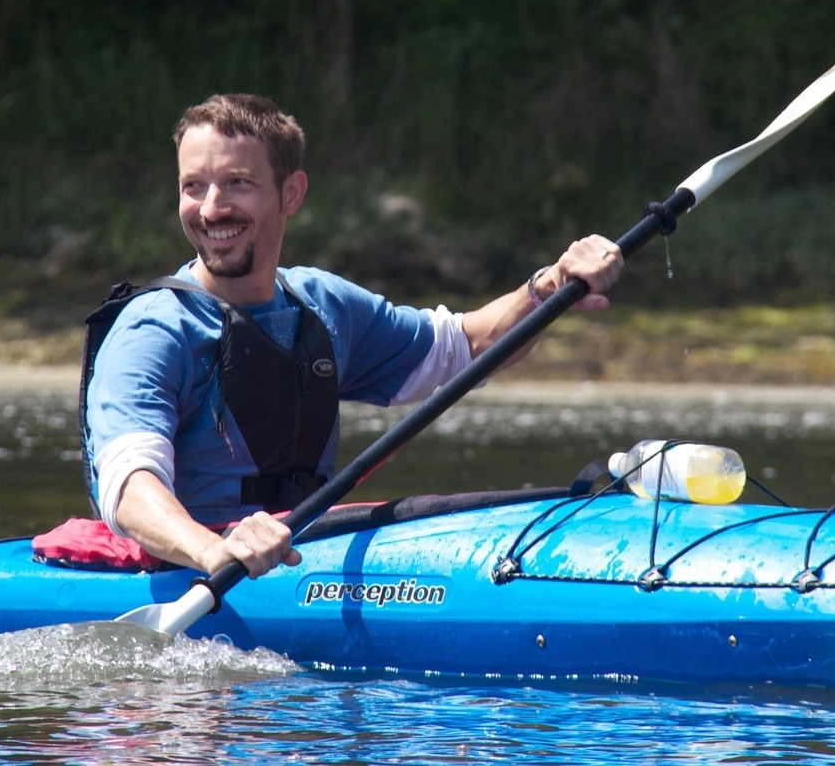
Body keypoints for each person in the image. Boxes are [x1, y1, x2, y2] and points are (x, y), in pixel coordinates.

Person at [82, 93, 623, 580]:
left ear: (291, 193)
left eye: (237, 184)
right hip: (201, 568)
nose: (211, 208)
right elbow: (128, 484)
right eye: (192, 187)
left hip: (301, 554)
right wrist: (210, 551)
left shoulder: (323, 306)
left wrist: (551, 285)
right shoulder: (154, 329)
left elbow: (469, 346)